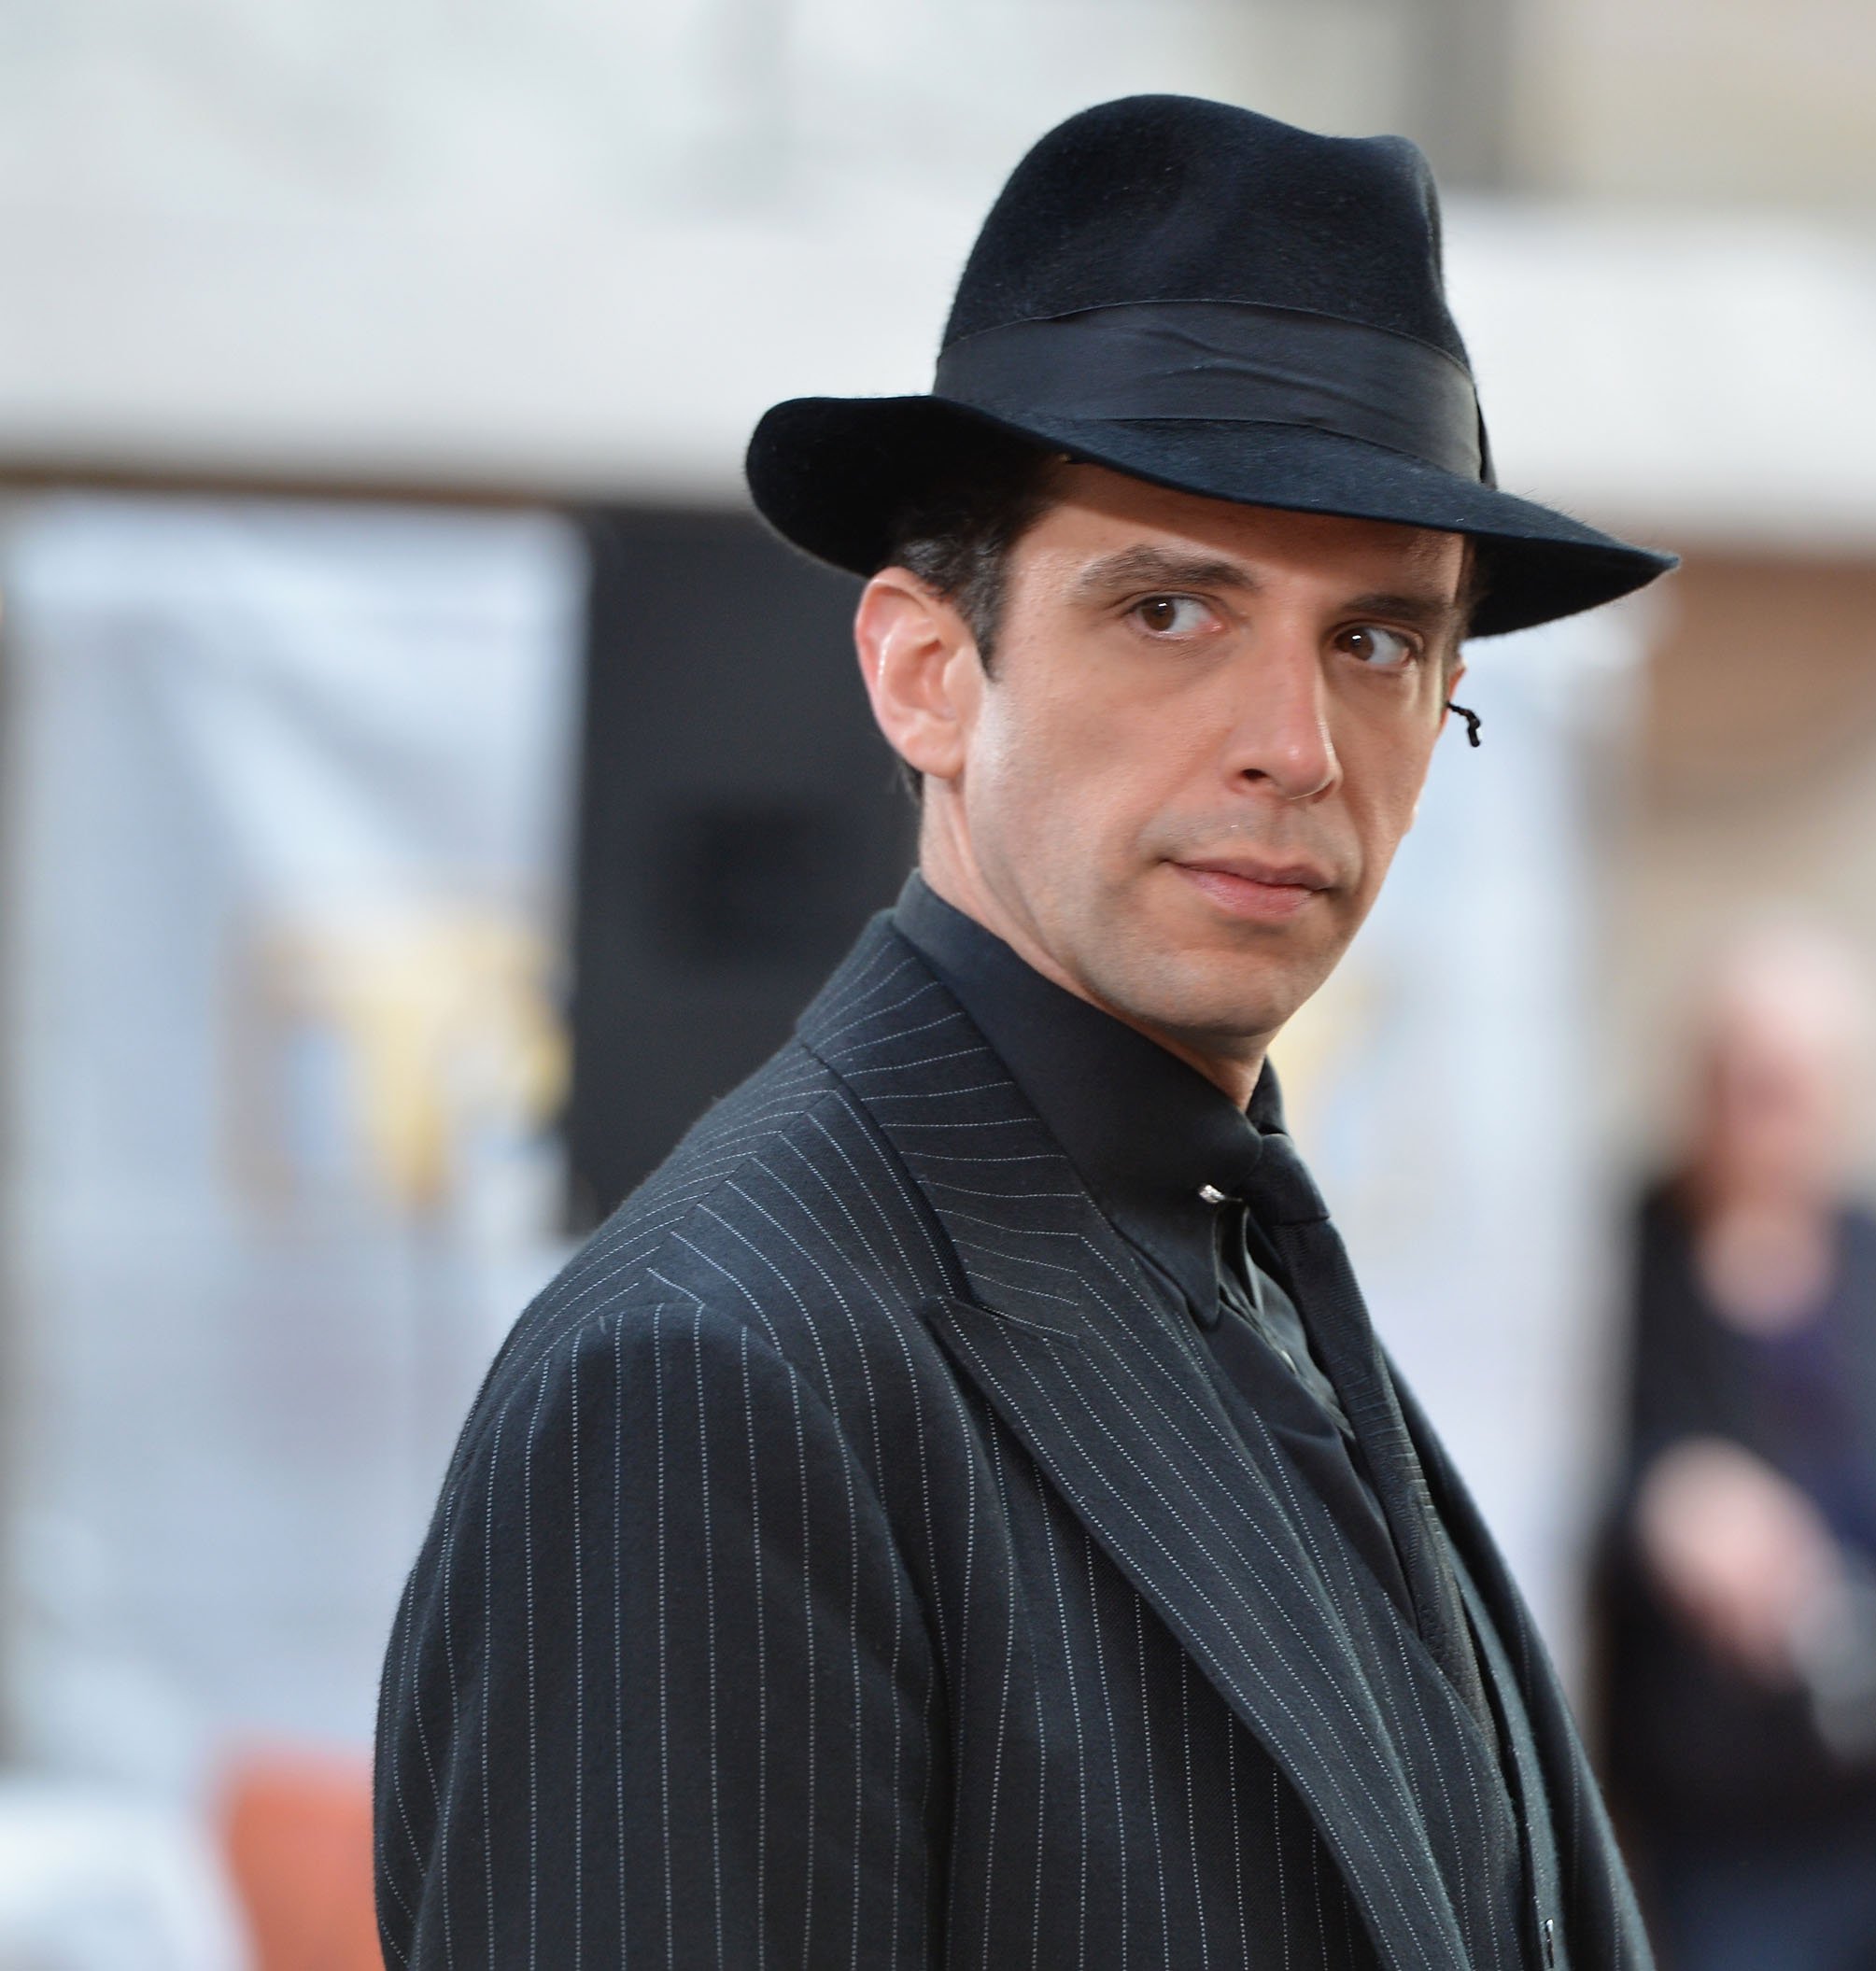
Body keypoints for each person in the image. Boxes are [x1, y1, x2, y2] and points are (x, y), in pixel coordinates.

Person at [373, 95, 1674, 1968]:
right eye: (1168, 605)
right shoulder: (717, 1370)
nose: (1296, 747)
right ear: (924, 670)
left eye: (1377, 642)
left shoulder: (1239, 1257)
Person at [1595, 926, 1876, 1971]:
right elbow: (1528, 1480)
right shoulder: (1623, 1265)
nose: (1764, 1114)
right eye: (1740, 1078)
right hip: (1736, 1825)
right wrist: (1660, 1500)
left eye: (1793, 1084)